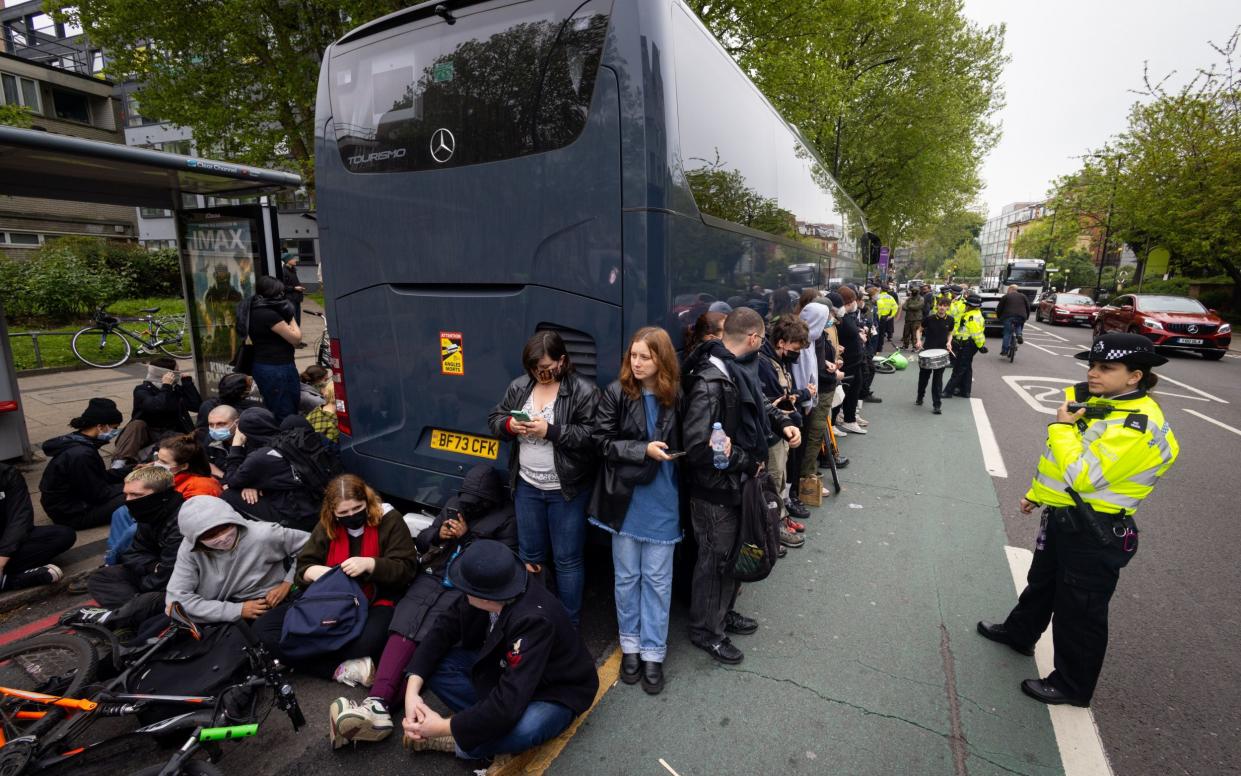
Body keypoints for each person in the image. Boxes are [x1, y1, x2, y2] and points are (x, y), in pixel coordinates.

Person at [978, 333, 1179, 707]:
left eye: (1106, 367)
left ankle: (1072, 685)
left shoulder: (1136, 425)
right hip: (1068, 517)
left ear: (1135, 376)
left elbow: (1085, 476)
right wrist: (1037, 495)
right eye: (1092, 365)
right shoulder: (1104, 405)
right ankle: (1020, 633)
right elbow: (1062, 467)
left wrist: (1061, 428)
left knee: (1080, 610)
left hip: (1095, 529)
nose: (1094, 373)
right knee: (1044, 581)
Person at [330, 464, 518, 747]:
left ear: (490, 501)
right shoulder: (455, 504)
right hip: (434, 575)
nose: (468, 506)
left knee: (430, 636)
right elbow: (422, 540)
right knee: (405, 625)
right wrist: (439, 534)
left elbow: (500, 563)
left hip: (466, 588)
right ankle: (378, 704)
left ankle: (378, 705)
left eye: (476, 502)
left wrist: (467, 538)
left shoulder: (506, 519)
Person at [399, 540, 599, 761]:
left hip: (553, 689)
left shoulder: (533, 621)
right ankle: (480, 726)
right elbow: (443, 629)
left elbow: (509, 702)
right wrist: (412, 690)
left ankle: (463, 743)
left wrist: (444, 728)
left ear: (485, 597)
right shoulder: (495, 586)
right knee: (435, 666)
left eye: (464, 588)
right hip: (509, 671)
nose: (461, 592)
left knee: (526, 729)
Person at [681, 307, 800, 664]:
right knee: (715, 562)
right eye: (762, 339)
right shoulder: (709, 381)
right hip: (714, 491)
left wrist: (781, 423)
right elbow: (698, 447)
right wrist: (747, 461)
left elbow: (757, 404)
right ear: (752, 339)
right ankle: (706, 631)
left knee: (731, 557)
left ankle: (721, 615)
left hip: (734, 483)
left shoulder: (733, 369)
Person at [254, 475, 417, 692]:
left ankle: (298, 655)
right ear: (333, 512)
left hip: (374, 597)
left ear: (367, 502)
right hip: (330, 600)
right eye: (344, 513)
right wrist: (318, 572)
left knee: (365, 644)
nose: (351, 516)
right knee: (263, 630)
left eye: (357, 509)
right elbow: (303, 567)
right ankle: (339, 669)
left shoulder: (390, 519)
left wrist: (371, 565)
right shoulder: (328, 523)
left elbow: (406, 569)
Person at [588, 327, 682, 695]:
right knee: (627, 578)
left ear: (662, 359)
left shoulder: (675, 395)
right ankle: (630, 647)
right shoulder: (616, 392)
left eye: (646, 356)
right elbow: (600, 442)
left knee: (658, 582)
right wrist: (642, 449)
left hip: (664, 500)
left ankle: (653, 653)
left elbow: (692, 436)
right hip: (624, 500)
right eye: (634, 356)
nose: (637, 363)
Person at [487, 331, 598, 625]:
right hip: (528, 487)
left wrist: (551, 431)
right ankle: (533, 619)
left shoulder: (583, 390)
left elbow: (594, 437)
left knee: (567, 560)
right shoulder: (521, 386)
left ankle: (569, 625)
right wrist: (511, 425)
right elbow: (494, 420)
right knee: (531, 556)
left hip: (566, 490)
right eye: (535, 369)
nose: (541, 374)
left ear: (562, 360)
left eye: (547, 368)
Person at [66, 467, 185, 630]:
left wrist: (145, 581)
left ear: (161, 495)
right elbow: (132, 553)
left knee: (149, 600)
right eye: (127, 494)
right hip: (153, 577)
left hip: (177, 588)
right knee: (101, 577)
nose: (128, 500)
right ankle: (133, 615)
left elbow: (170, 575)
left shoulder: (180, 522)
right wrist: (152, 566)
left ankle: (125, 617)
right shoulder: (149, 516)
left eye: (136, 495)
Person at [164, 495, 309, 624]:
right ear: (195, 539)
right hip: (219, 609)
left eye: (224, 527)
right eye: (209, 535)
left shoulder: (264, 534)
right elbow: (175, 601)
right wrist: (237, 610)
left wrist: (288, 582)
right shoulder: (189, 549)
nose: (221, 537)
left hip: (265, 603)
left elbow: (310, 545)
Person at [105, 433, 222, 563]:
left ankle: (112, 560)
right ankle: (115, 554)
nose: (156, 464)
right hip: (158, 517)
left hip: (173, 527)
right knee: (121, 512)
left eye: (164, 462)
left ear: (183, 466)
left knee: (134, 530)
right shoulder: (172, 474)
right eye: (157, 458)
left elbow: (184, 518)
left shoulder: (202, 486)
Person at [757, 317, 810, 546]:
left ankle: (780, 519)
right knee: (774, 481)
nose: (797, 352)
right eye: (796, 348)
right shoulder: (764, 364)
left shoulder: (776, 360)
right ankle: (774, 529)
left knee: (780, 479)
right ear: (782, 342)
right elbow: (771, 402)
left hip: (780, 429)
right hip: (773, 432)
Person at [221, 408, 321, 530]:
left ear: (243, 433)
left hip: (298, 516)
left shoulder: (260, 457)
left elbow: (231, 480)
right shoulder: (290, 439)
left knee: (228, 495)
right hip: (316, 504)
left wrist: (236, 445)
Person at [39, 398, 128, 530]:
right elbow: (99, 494)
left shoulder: (78, 441)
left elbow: (98, 477)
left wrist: (130, 470)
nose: (115, 432)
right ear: (100, 426)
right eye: (114, 428)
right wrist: (132, 484)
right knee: (140, 493)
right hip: (72, 515)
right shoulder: (81, 454)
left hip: (68, 505)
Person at [112, 357, 203, 466]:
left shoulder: (176, 389)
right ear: (168, 374)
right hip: (149, 432)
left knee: (177, 441)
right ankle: (119, 463)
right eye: (177, 370)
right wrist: (166, 386)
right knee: (136, 425)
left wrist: (188, 384)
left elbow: (196, 406)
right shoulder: (142, 390)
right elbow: (157, 406)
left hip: (172, 432)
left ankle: (145, 460)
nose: (179, 372)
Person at [0, 462, 73, 591]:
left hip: (6, 541)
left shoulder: (8, 473)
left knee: (62, 535)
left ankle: (4, 575)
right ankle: (10, 581)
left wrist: (2, 557)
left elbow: (20, 518)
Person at [246, 276, 302, 422]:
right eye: (279, 293)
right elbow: (296, 338)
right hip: (278, 368)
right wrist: (290, 316)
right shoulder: (269, 315)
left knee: (276, 406)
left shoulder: (253, 309)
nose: (282, 296)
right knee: (286, 411)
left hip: (265, 365)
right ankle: (287, 440)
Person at [833, 288, 867, 436]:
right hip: (847, 361)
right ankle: (834, 421)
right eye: (853, 300)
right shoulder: (840, 318)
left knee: (854, 390)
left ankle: (850, 419)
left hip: (855, 359)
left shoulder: (847, 316)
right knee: (842, 392)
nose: (855, 303)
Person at [914, 297, 955, 415]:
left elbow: (950, 333)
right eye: (940, 305)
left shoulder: (951, 320)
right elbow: (919, 330)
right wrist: (918, 341)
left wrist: (949, 342)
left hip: (941, 353)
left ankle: (937, 405)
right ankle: (919, 397)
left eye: (945, 305)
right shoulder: (929, 318)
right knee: (923, 378)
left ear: (948, 307)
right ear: (937, 306)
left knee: (938, 380)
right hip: (927, 351)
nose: (942, 307)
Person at [943, 294, 988, 400]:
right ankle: (965, 391)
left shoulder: (972, 317)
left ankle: (948, 391)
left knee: (959, 368)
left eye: (967, 304)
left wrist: (980, 346)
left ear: (970, 305)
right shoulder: (973, 314)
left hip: (968, 345)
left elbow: (976, 334)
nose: (966, 306)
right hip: (967, 344)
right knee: (966, 368)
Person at [196, 373, 263, 428]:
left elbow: (201, 429)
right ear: (243, 393)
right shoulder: (253, 409)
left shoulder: (208, 405)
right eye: (249, 386)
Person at [201, 405, 240, 476]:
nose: (215, 429)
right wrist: (222, 476)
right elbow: (206, 461)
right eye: (211, 424)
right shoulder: (211, 438)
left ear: (236, 423)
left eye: (221, 424)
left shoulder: (250, 442)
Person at [997, 284, 1032, 357]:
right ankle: (1019, 334)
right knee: (1018, 324)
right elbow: (1028, 307)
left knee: (1007, 333)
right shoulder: (1023, 296)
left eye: (1008, 289)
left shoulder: (1006, 296)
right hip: (1021, 316)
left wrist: (999, 317)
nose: (1007, 291)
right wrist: (1026, 317)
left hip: (1008, 316)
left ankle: (1004, 351)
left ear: (1011, 289)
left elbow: (999, 308)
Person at [280, 252, 306, 325]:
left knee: (297, 320)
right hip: (290, 299)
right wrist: (294, 288)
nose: (295, 260)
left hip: (296, 298)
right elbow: (283, 287)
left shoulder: (293, 270)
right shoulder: (284, 272)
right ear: (288, 261)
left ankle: (297, 333)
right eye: (293, 259)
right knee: (293, 320)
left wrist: (299, 287)